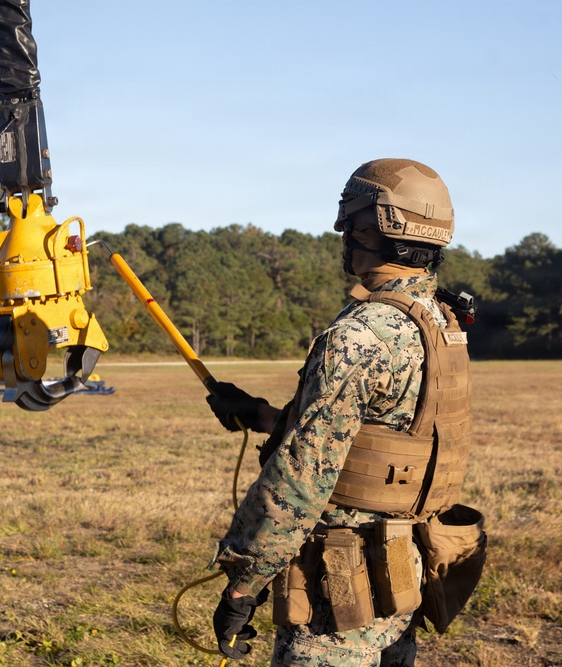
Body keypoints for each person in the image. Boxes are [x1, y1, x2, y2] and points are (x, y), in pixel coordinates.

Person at [207, 158, 476, 666]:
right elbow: (386, 434)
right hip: (402, 575)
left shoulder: (360, 334)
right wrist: (268, 417)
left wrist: (246, 582)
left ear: (373, 229)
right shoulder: (442, 322)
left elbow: (301, 477)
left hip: (340, 589)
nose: (343, 235)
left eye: (351, 223)